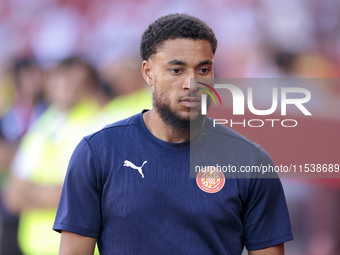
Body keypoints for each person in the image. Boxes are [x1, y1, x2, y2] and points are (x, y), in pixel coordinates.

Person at [53, 14, 293, 255]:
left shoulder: (249, 160)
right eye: (177, 70)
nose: (192, 83)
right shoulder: (98, 152)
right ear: (148, 73)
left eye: (203, 69)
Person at [4, 57, 101, 255]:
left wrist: (31, 193)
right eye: (58, 79)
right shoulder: (43, 125)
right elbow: (12, 196)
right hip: (33, 247)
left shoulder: (98, 125)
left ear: (88, 85)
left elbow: (80, 195)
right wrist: (51, 194)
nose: (64, 86)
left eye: (72, 81)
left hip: (77, 248)